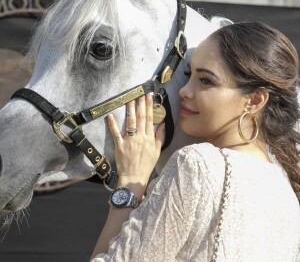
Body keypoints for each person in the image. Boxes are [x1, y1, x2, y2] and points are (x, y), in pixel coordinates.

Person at [90, 22, 300, 261]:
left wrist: (130, 183)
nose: (184, 91)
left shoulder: (196, 166)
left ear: (255, 100)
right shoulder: (286, 191)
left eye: (206, 81)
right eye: (189, 75)